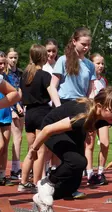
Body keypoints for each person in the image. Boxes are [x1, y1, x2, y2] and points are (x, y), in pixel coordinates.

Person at [30, 87, 112, 212]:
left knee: (72, 185)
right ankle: (46, 183)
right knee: (78, 161)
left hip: (75, 132)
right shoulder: (84, 115)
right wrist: (34, 149)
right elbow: (47, 129)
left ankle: (40, 199)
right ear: (99, 106)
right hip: (52, 129)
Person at [47, 27, 95, 199]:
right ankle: (50, 183)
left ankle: (71, 189)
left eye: (88, 45)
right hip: (65, 105)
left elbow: (90, 92)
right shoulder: (63, 60)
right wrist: (59, 108)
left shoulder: (89, 65)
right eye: (83, 44)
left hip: (82, 107)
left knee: (80, 150)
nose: (86, 47)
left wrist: (91, 112)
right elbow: (52, 86)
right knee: (68, 151)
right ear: (74, 41)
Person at [19, 44, 52, 192]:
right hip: (41, 113)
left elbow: (20, 95)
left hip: (29, 114)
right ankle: (38, 183)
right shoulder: (45, 76)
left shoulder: (25, 75)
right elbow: (53, 95)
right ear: (43, 57)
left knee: (31, 150)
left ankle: (23, 182)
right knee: (40, 151)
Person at [85, 53, 110, 186]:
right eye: (98, 63)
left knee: (105, 143)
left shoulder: (103, 81)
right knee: (90, 144)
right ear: (91, 64)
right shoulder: (87, 78)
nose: (100, 66)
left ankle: (100, 172)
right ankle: (89, 173)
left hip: (103, 116)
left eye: (102, 63)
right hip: (91, 114)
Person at [0, 51, 21, 186]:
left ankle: (1, 176)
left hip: (4, 113)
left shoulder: (5, 77)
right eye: (0, 63)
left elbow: (13, 94)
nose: (2, 66)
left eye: (4, 63)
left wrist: (14, 107)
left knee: (4, 146)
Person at [42, 38, 61, 172]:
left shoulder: (59, 65)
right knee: (45, 141)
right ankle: (43, 168)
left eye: (53, 51)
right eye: (48, 51)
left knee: (58, 139)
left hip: (58, 105)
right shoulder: (42, 67)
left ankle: (55, 168)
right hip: (45, 106)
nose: (51, 53)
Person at [6, 48, 24, 180]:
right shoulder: (4, 74)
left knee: (19, 138)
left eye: (15, 57)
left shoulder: (20, 73)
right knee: (14, 138)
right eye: (11, 57)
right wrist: (13, 109)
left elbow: (21, 91)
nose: (13, 60)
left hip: (21, 107)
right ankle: (14, 169)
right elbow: (7, 93)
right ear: (6, 58)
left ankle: (16, 168)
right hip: (9, 108)